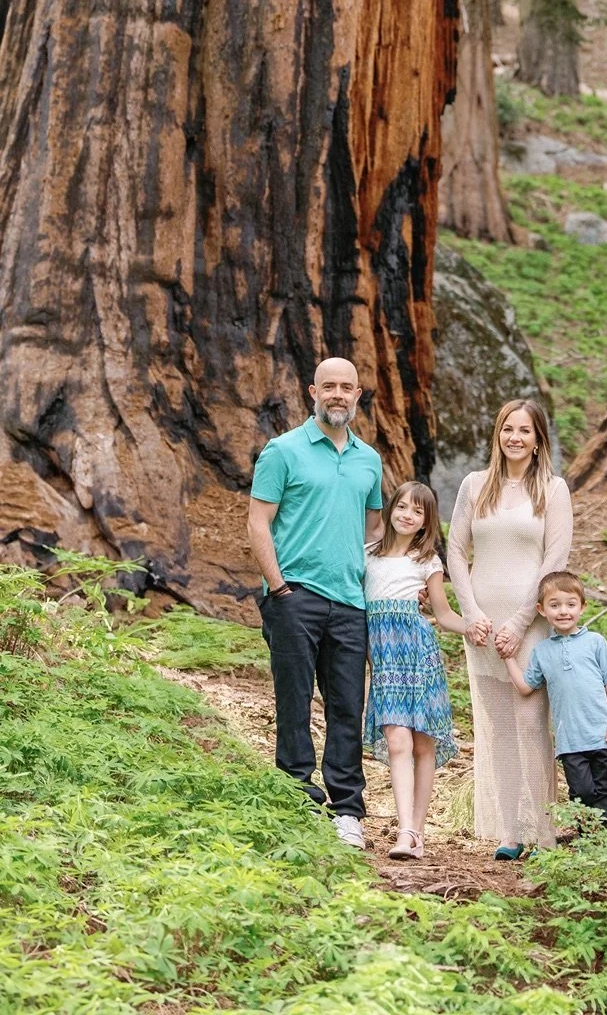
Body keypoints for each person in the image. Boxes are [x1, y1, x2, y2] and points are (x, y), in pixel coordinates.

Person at [247, 357, 382, 850]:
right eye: (329, 387)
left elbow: (373, 529)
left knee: (348, 706)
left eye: (347, 387)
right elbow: (258, 522)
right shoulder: (283, 451)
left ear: (358, 394)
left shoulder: (370, 459)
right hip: (294, 596)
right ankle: (297, 797)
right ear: (312, 392)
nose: (338, 395)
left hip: (350, 602)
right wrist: (279, 589)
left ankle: (348, 809)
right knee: (294, 701)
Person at [446, 398, 573, 860]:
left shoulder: (552, 490)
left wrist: (522, 621)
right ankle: (508, 832)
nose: (514, 438)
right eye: (507, 429)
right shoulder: (475, 485)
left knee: (528, 721)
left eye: (524, 431)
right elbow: (456, 551)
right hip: (481, 622)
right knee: (496, 725)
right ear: (497, 435)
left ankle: (541, 831)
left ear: (538, 440)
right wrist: (471, 612)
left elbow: (555, 559)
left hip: (529, 620)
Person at [363, 482, 470, 859]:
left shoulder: (427, 562)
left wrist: (472, 624)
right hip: (385, 660)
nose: (408, 515)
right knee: (398, 741)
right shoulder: (367, 556)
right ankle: (406, 828)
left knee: (423, 743)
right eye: (403, 507)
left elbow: (442, 613)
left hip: (419, 654)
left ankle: (415, 832)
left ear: (426, 523)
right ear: (391, 509)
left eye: (418, 511)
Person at [503, 571, 607, 828]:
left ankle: (599, 844)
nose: (563, 611)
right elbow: (526, 687)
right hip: (570, 741)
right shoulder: (543, 651)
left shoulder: (595, 642)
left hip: (602, 735)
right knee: (581, 792)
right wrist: (508, 658)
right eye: (554, 605)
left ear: (582, 607)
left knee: (602, 791)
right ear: (542, 610)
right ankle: (585, 835)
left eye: (571, 604)